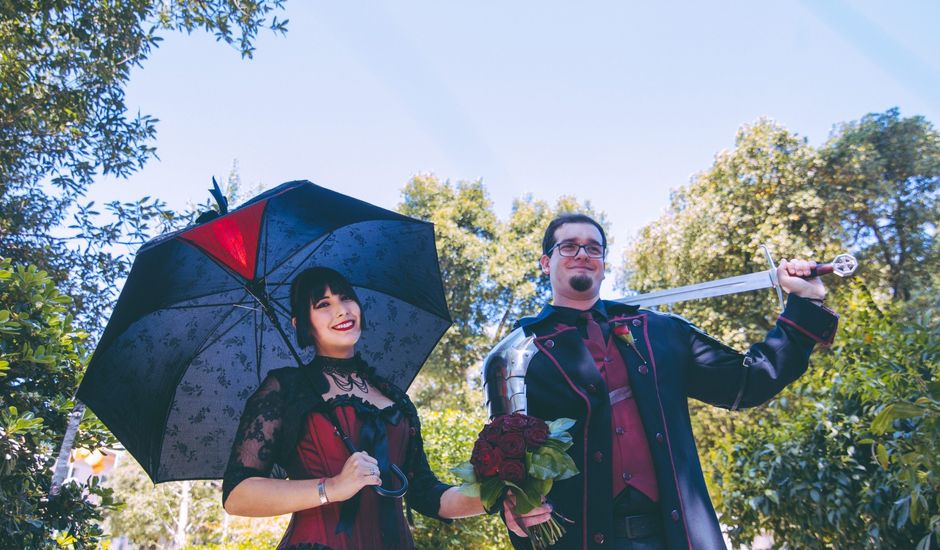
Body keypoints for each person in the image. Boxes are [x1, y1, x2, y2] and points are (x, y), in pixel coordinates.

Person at [484, 214, 839, 549]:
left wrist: (805, 301)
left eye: (594, 248)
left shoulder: (661, 332)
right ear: (546, 262)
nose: (583, 254)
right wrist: (511, 500)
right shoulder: (517, 354)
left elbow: (748, 381)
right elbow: (506, 461)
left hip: (674, 537)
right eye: (569, 246)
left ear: (604, 263)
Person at [223, 267, 485, 549]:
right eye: (323, 304)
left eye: (346, 298)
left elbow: (427, 494)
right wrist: (332, 487)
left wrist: (498, 494)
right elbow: (238, 495)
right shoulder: (286, 388)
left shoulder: (393, 396)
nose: (341, 310)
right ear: (302, 324)